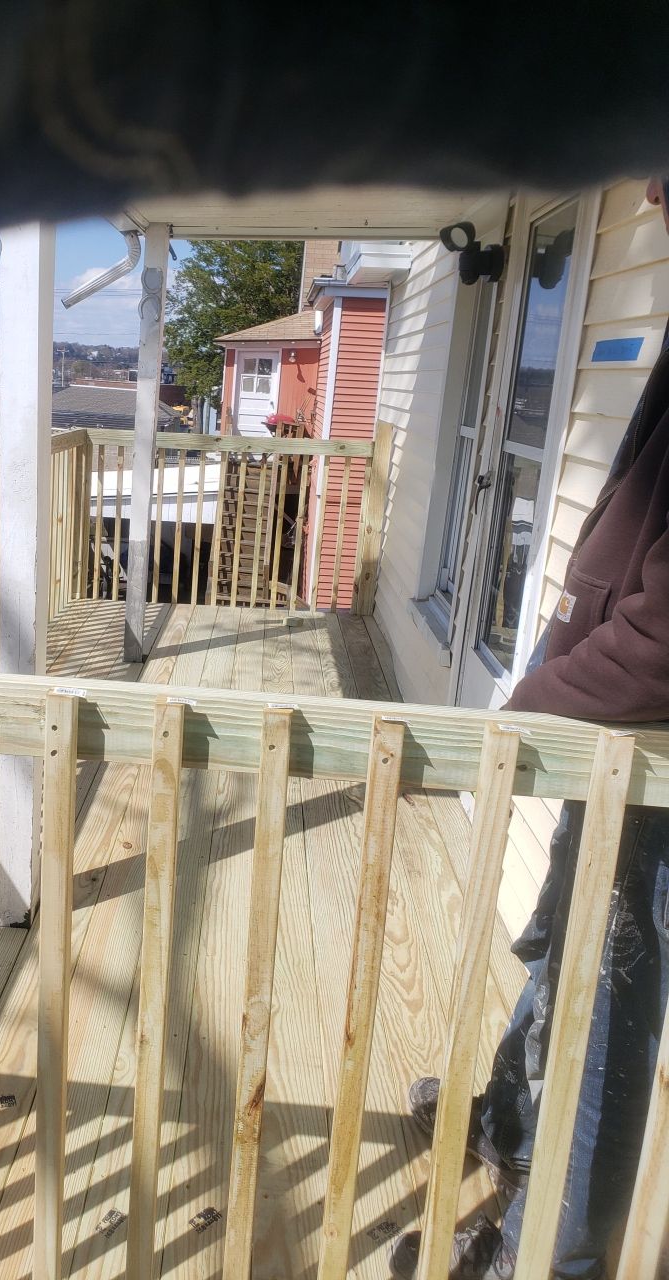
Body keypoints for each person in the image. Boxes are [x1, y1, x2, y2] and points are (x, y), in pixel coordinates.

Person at [390, 176, 669, 1279]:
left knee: (610, 1006)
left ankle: (546, 1256)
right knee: (565, 948)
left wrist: (527, 708)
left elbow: (660, 639)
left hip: (648, 753)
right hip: (618, 745)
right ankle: (507, 1123)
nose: (649, 190)